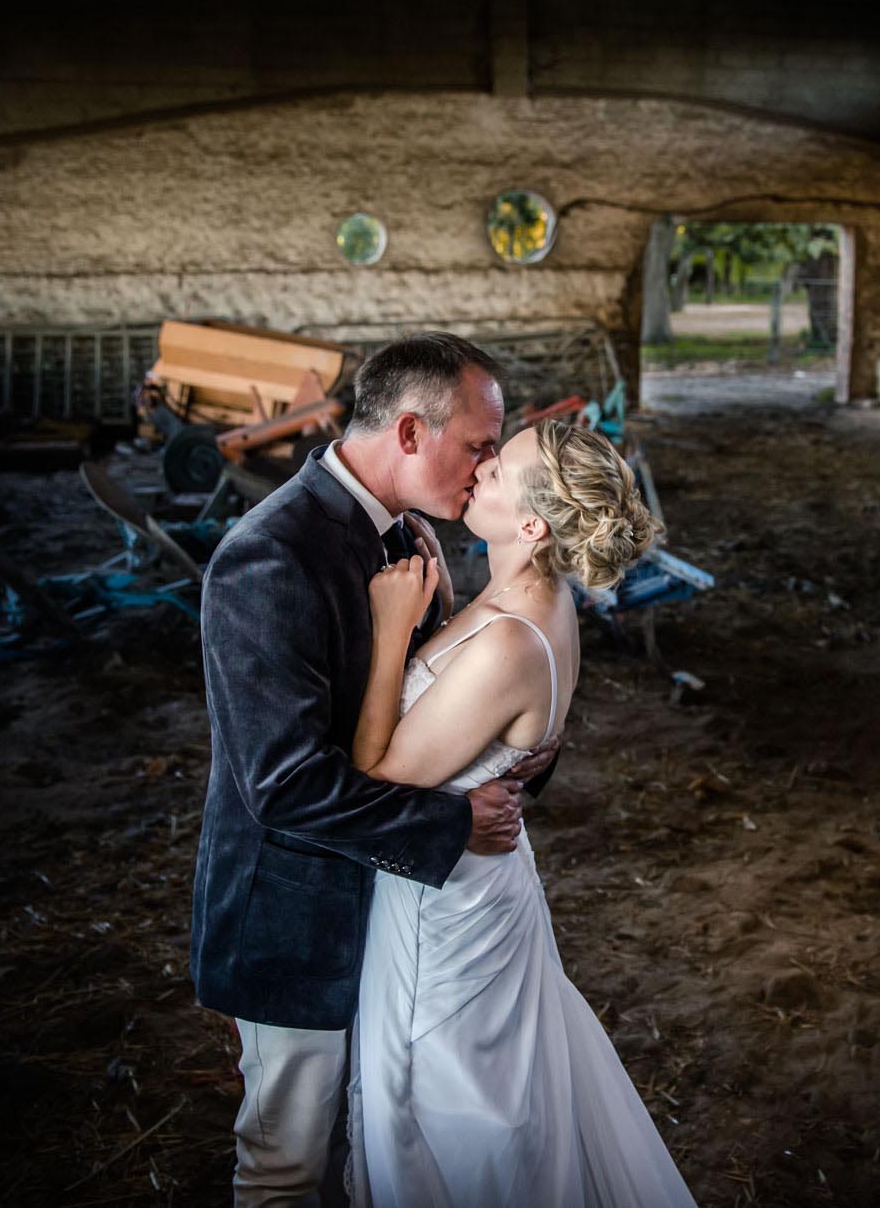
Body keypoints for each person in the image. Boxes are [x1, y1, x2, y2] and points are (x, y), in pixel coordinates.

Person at [190, 333, 557, 1207]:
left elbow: (442, 708)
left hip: (400, 922)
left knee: (372, 1149)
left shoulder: (409, 529)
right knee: (289, 1166)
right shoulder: (267, 556)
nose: (482, 470)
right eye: (475, 447)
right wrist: (451, 823)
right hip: (295, 918)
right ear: (406, 432)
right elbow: (280, 785)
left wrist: (514, 756)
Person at [343, 418, 696, 1207]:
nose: (479, 468)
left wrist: (392, 634)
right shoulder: (532, 595)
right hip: (479, 882)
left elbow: (375, 770)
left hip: (447, 911)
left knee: (456, 1119)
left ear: (531, 524)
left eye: (497, 468)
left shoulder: (513, 641)